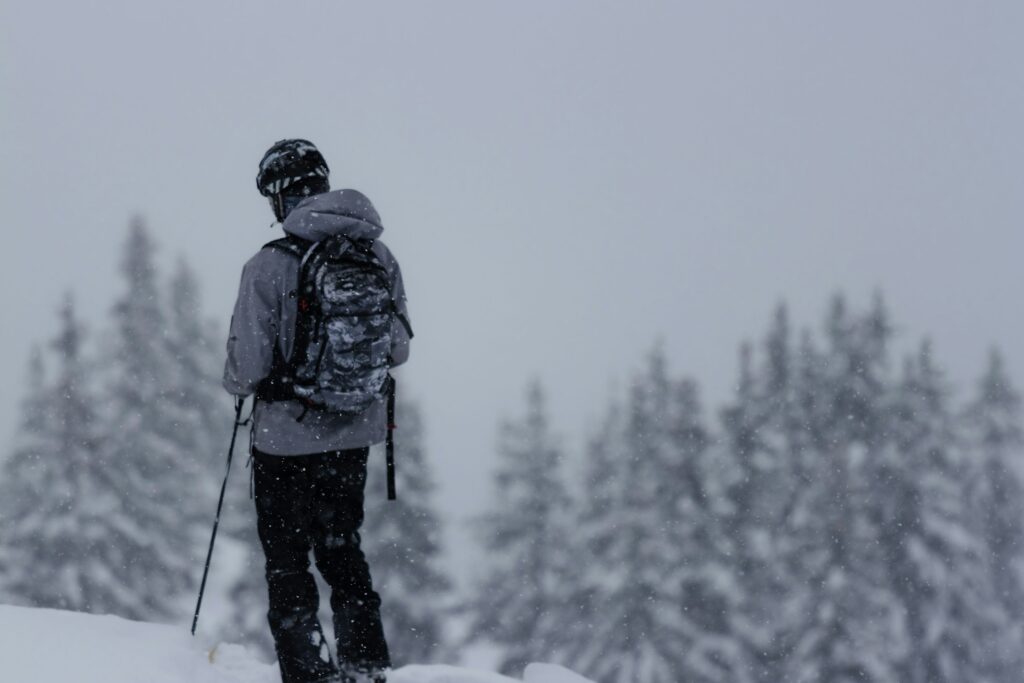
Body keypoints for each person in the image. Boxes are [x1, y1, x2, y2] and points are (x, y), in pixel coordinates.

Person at [223, 139, 411, 683]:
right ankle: (366, 666)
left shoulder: (267, 266)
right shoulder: (378, 256)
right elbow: (398, 349)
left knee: (287, 562)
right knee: (342, 548)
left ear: (281, 198)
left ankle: (308, 674)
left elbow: (245, 371)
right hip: (353, 435)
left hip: (284, 441)